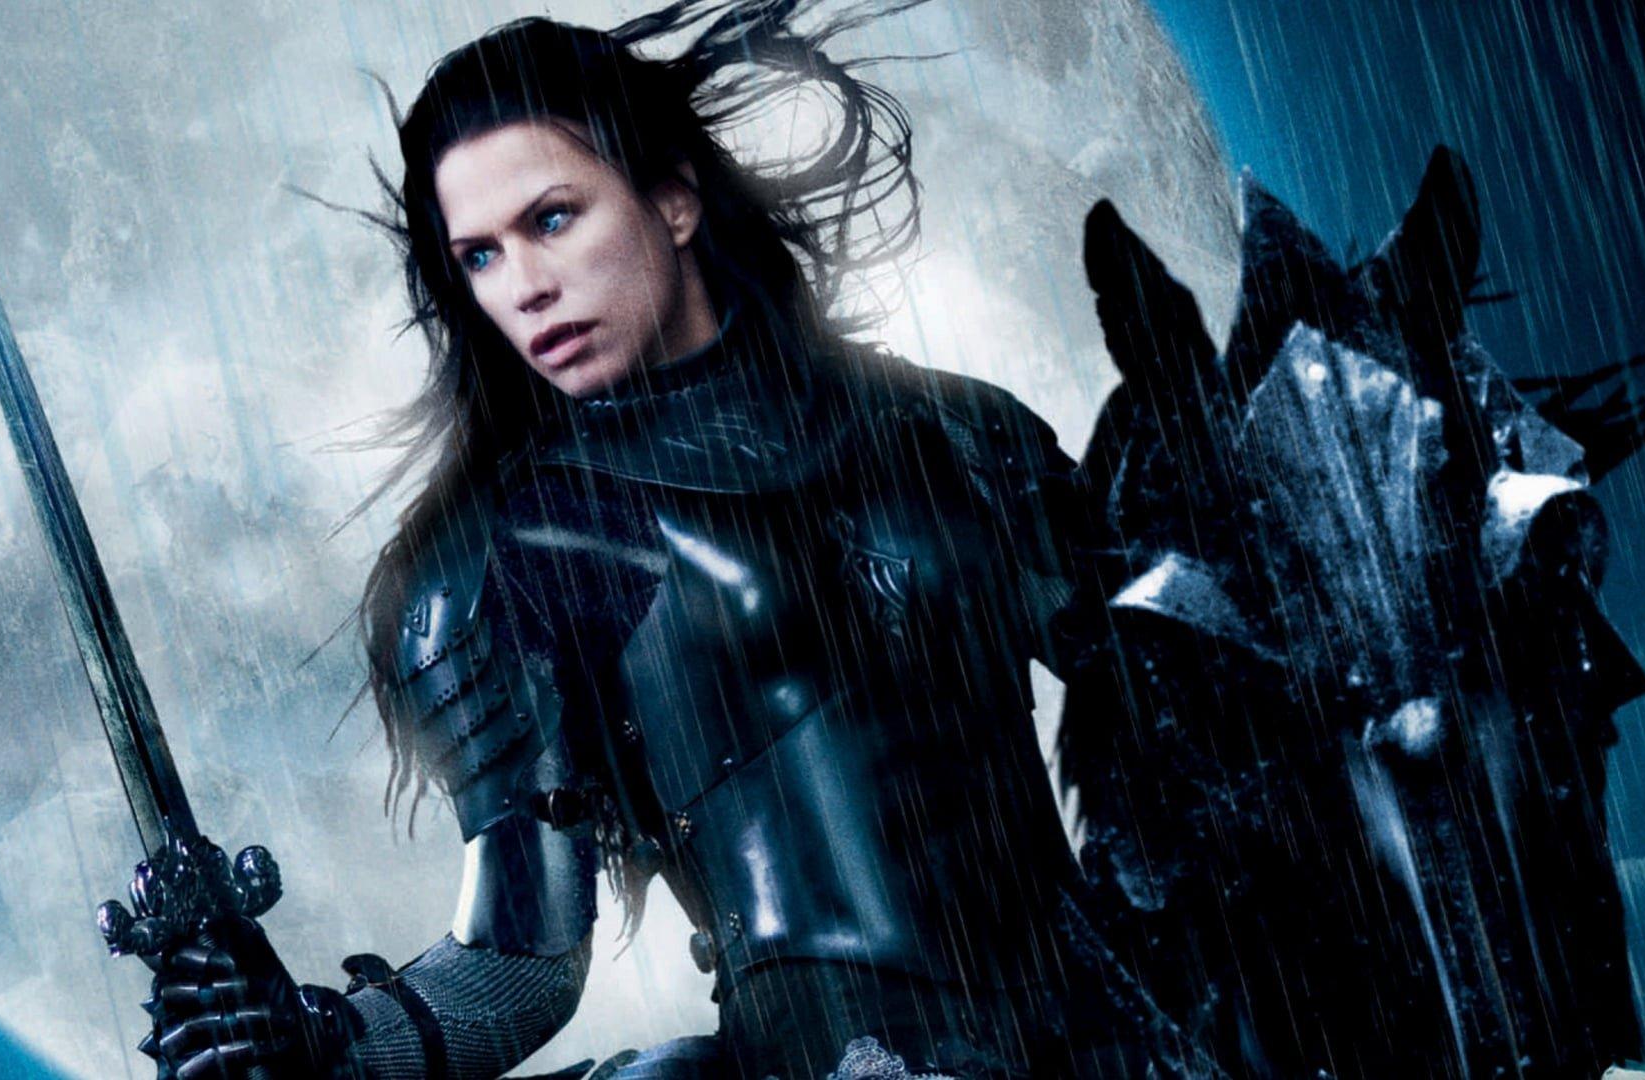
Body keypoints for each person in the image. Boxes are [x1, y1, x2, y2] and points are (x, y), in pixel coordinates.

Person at [132, 5, 1188, 1080]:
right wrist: (323, 1042)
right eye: (480, 256)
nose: (524, 287)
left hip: (1105, 1042)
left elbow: (1177, 706)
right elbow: (519, 961)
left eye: (552, 219)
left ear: (673, 200)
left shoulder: (954, 431)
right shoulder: (522, 552)